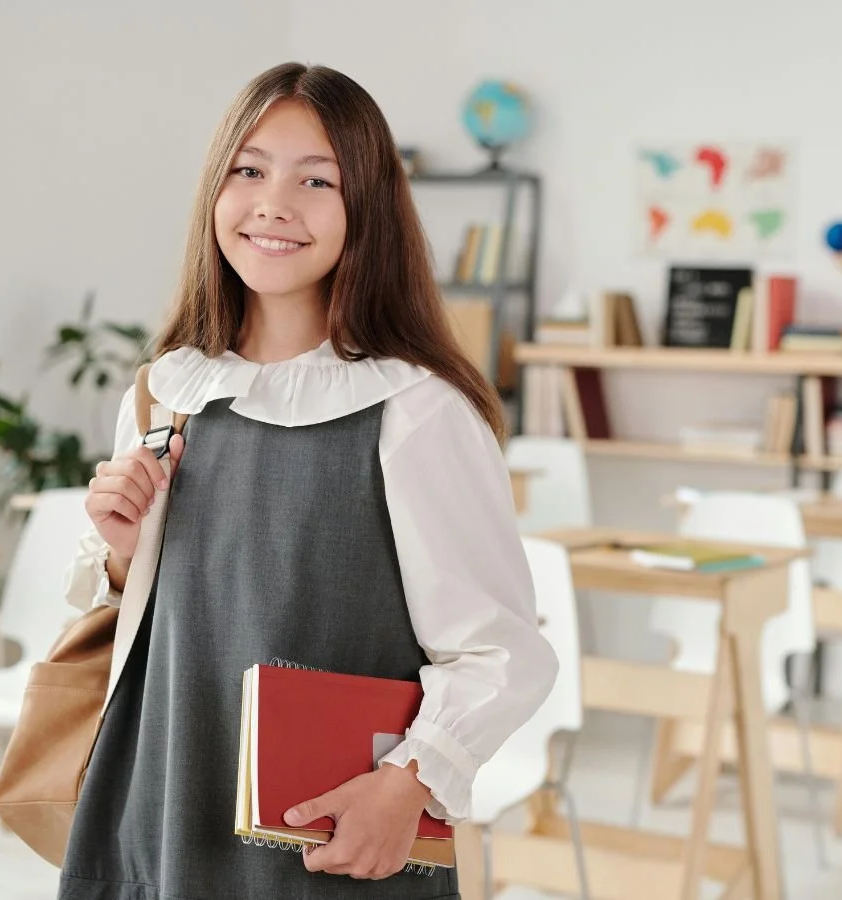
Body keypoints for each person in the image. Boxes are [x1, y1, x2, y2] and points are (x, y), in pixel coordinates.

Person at [58, 61, 558, 900]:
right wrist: (118, 554)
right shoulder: (166, 389)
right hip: (160, 795)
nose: (273, 204)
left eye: (315, 180)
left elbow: (502, 654)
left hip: (328, 828)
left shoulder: (416, 410)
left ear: (367, 208)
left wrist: (410, 784)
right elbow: (145, 621)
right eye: (248, 170)